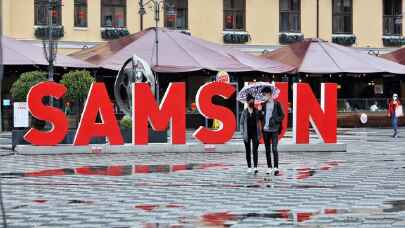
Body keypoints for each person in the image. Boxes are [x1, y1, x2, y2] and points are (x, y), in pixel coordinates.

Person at [259, 87, 285, 176]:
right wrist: (259, 111)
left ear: (269, 94)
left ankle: (276, 167)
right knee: (267, 150)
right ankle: (269, 167)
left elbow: (282, 115)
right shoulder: (263, 105)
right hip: (265, 130)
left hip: (274, 130)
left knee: (274, 149)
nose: (263, 96)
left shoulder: (277, 104)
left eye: (264, 94)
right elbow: (260, 118)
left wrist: (275, 120)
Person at [239, 94, 261, 174]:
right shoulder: (244, 112)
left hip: (255, 133)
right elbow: (241, 123)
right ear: (247, 102)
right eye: (251, 101)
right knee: (248, 150)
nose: (252, 102)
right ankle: (249, 167)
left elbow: (261, 119)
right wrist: (242, 132)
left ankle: (255, 167)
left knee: (255, 150)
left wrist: (260, 111)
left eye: (253, 100)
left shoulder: (256, 111)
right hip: (247, 133)